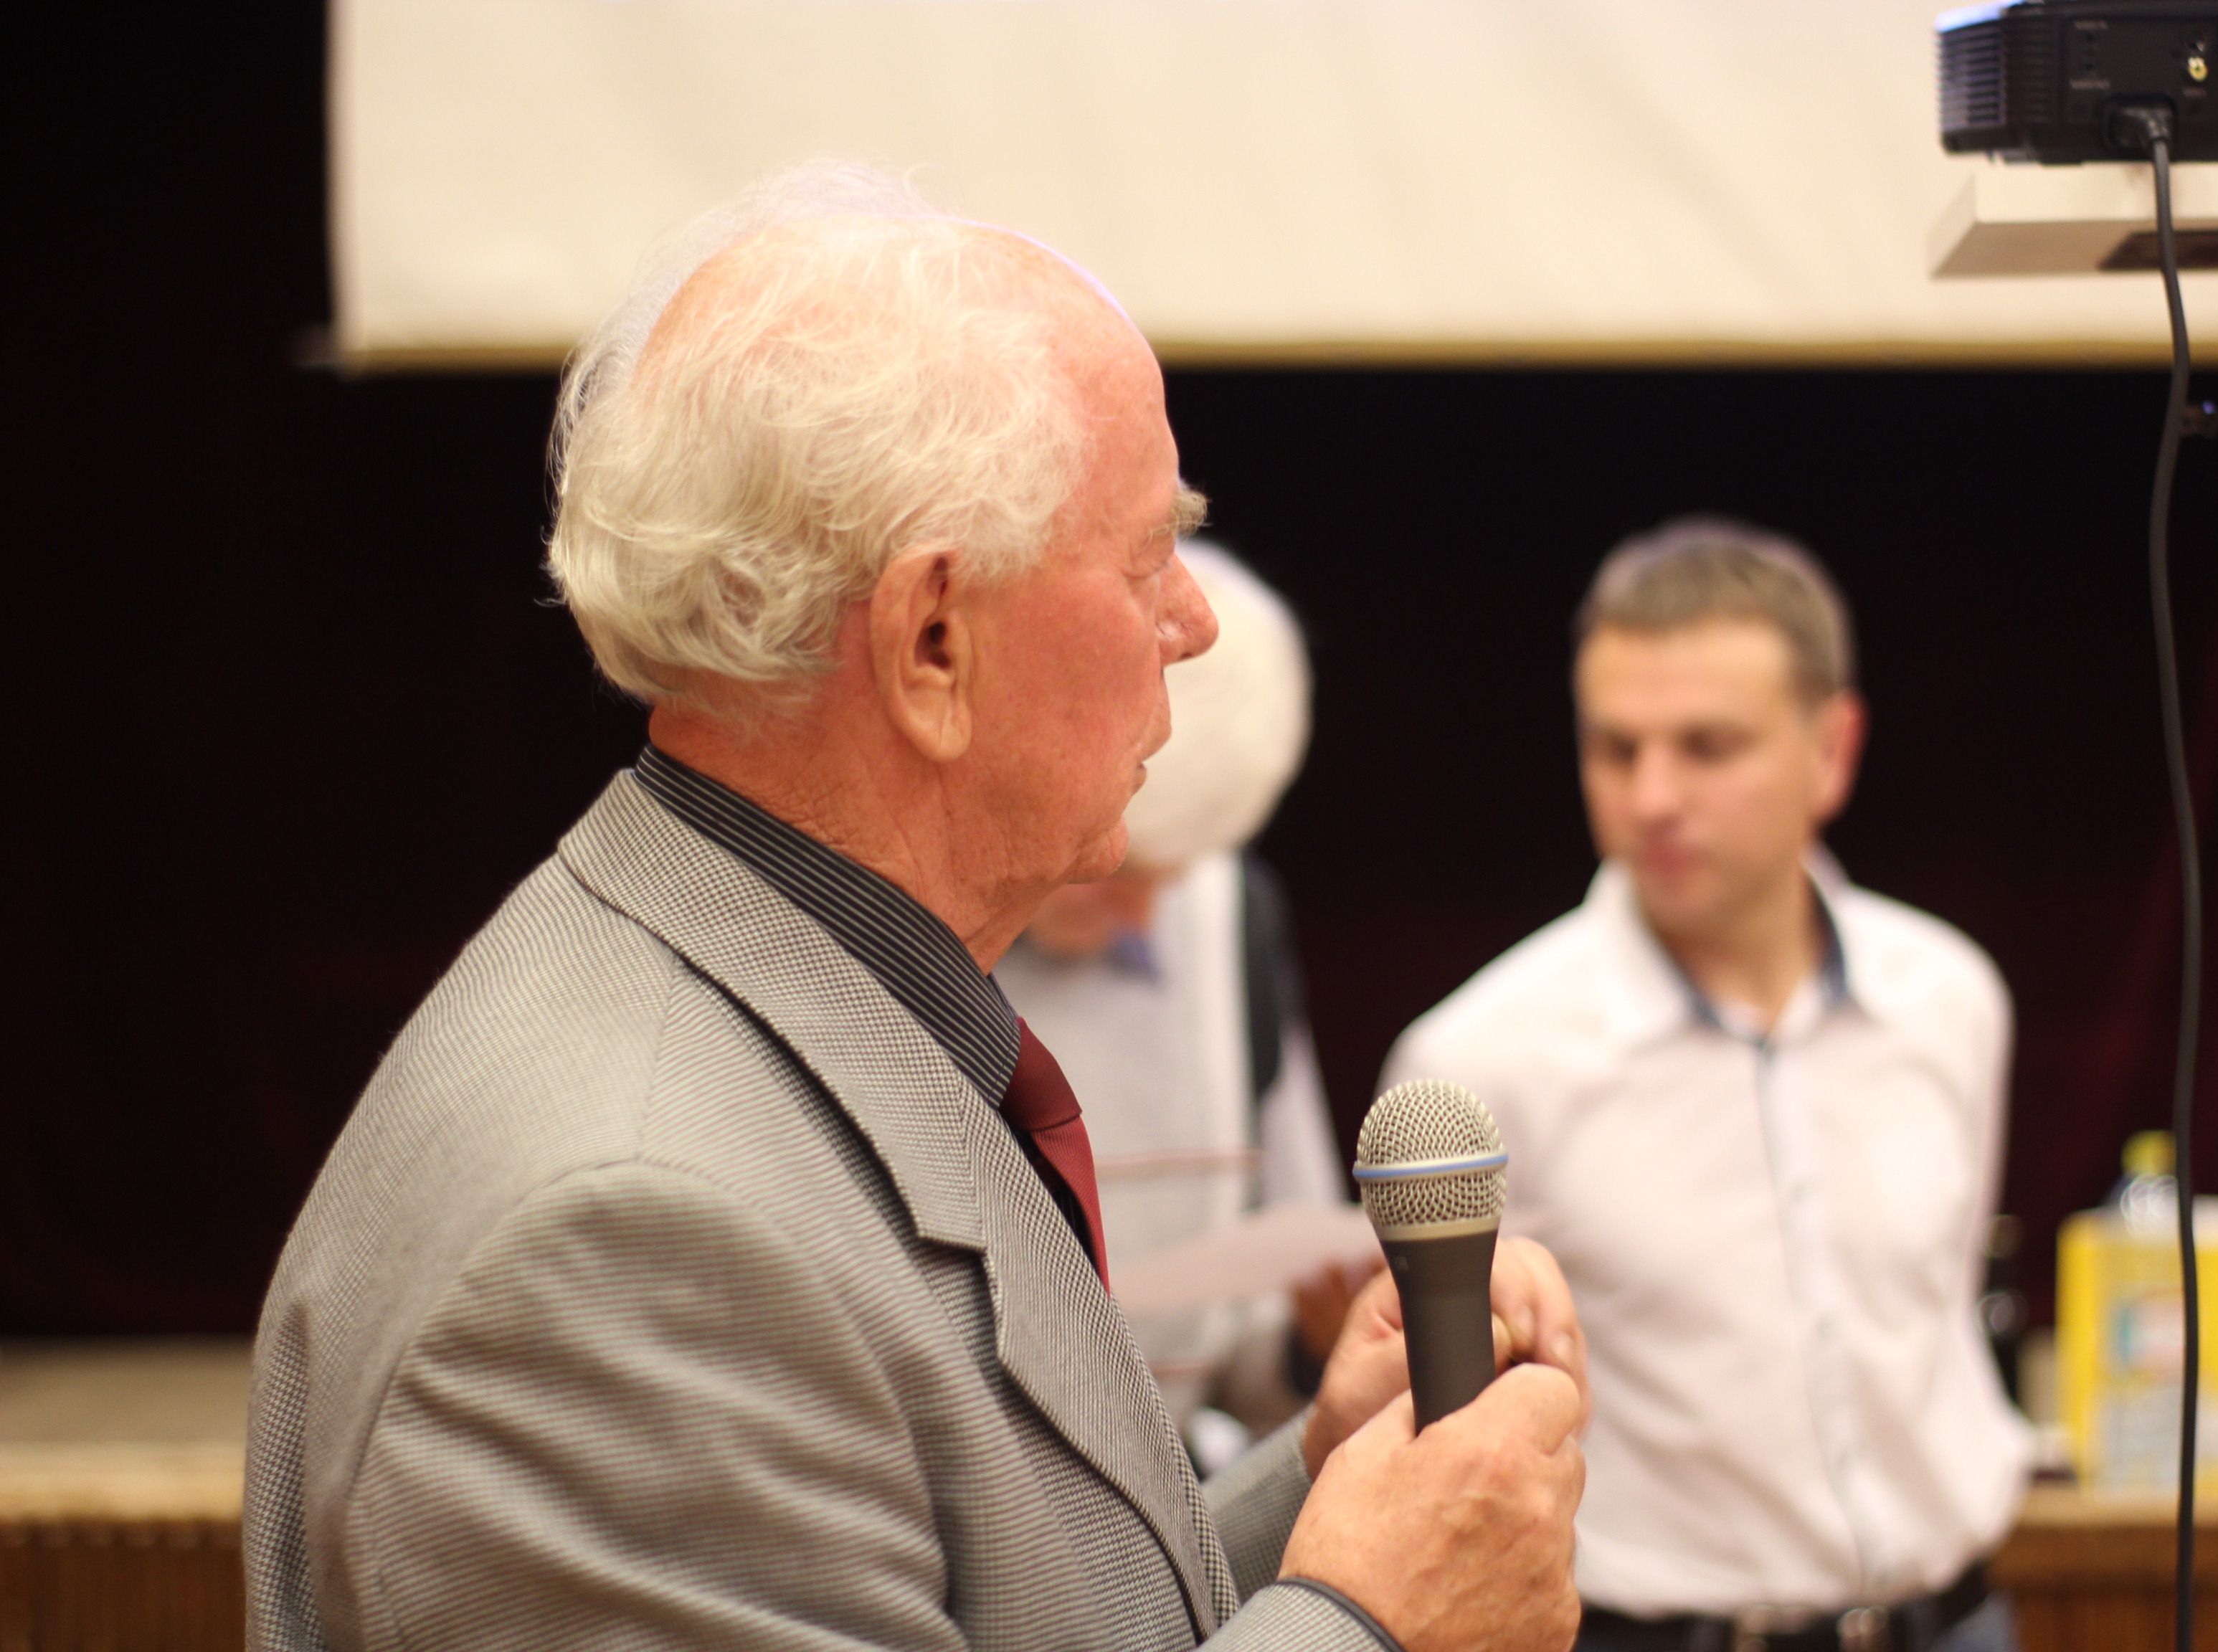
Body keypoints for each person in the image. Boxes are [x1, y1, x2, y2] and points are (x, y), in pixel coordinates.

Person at [242, 161, 1587, 1652]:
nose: (1194, 621)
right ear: (932, 640)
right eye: (1149, 553)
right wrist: (1376, 1623)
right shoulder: (632, 1239)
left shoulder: (789, 996)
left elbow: (982, 1601)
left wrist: (1334, 1488)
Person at [1382, 518, 2030, 1652]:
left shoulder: (1950, 999)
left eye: (1708, 747)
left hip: (1957, 1622)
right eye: (1615, 749)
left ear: (1833, 750)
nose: (1653, 797)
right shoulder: (1480, 1060)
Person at [993, 543, 1360, 1460]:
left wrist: (1317, 1345)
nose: (1146, 915)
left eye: (1178, 873)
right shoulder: (914, 944)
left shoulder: (1230, 914)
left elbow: (1251, 1354)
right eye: (1121, 867)